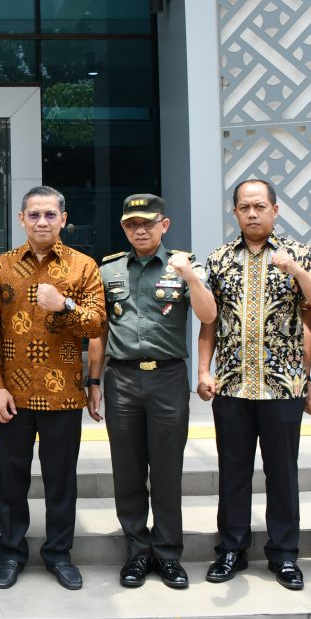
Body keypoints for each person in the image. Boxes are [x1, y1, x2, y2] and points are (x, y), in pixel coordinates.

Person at [197, 179, 311, 591]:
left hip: (282, 387)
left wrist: (305, 378)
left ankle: (284, 554)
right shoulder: (218, 259)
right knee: (233, 471)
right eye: (244, 207)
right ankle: (232, 550)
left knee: (282, 473)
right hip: (233, 386)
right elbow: (209, 321)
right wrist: (204, 371)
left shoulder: (299, 255)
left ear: (275, 210)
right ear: (235, 212)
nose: (252, 213)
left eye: (260, 206)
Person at [86, 193, 217, 590]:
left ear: (165, 224)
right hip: (122, 378)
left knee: (165, 471)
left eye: (148, 222)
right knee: (126, 470)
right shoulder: (109, 270)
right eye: (132, 224)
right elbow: (100, 330)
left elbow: (209, 315)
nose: (140, 230)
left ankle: (168, 554)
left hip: (167, 379)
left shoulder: (184, 264)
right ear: (124, 227)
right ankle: (137, 553)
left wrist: (190, 275)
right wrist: (94, 381)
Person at [0, 186, 104, 591]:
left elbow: (98, 325)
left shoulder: (83, 267)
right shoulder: (0, 266)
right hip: (12, 396)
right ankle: (12, 553)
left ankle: (58, 554)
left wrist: (63, 306)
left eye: (50, 215)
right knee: (10, 480)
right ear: (21, 219)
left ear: (63, 219)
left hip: (63, 395)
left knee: (61, 480)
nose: (42, 222)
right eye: (34, 215)